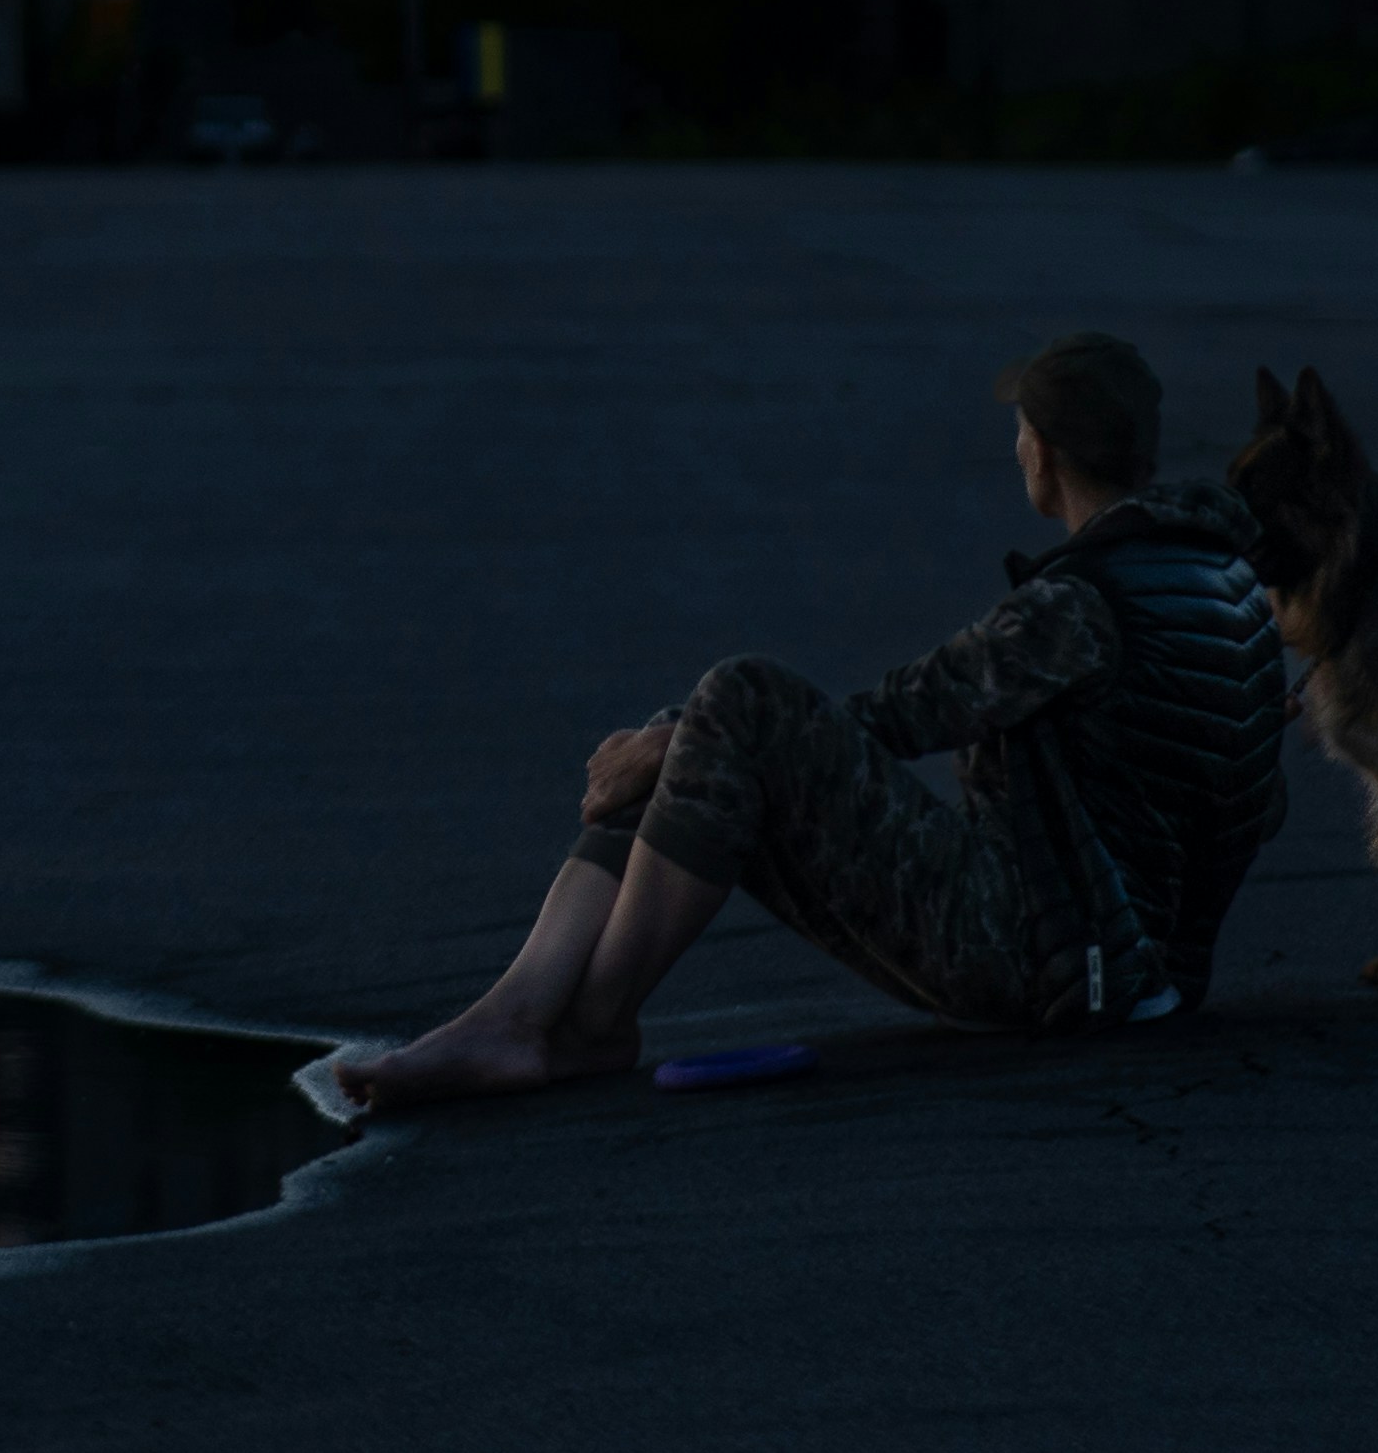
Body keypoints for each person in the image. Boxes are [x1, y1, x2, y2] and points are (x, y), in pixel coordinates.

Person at [335, 333, 1290, 1111]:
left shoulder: (1082, 604)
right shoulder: (1225, 583)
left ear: (1040, 450)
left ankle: (578, 1025)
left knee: (739, 698)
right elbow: (1255, 803)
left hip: (1051, 969)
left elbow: (904, 711)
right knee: (713, 722)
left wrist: (670, 742)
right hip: (1128, 970)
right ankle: (521, 1014)